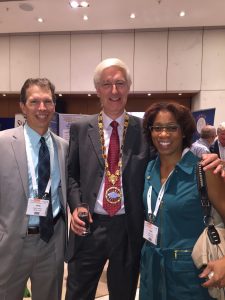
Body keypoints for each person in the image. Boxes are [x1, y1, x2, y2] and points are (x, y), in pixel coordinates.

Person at [65, 58, 150, 300]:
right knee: (78, 291)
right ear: (98, 90)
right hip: (89, 225)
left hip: (128, 226)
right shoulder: (81, 129)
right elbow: (73, 174)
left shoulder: (145, 130)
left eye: (120, 83)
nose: (114, 91)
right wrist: (75, 206)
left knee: (123, 293)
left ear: (129, 88)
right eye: (107, 84)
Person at [139, 102, 225, 300]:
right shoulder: (149, 170)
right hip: (152, 270)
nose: (163, 134)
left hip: (190, 276)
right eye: (157, 128)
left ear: (184, 132)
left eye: (171, 128)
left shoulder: (205, 171)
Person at [0, 78, 68, 300]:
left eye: (48, 101)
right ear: (22, 106)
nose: (42, 108)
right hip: (11, 243)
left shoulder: (64, 147)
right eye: (34, 101)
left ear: (54, 106)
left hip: (51, 242)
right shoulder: (2, 143)